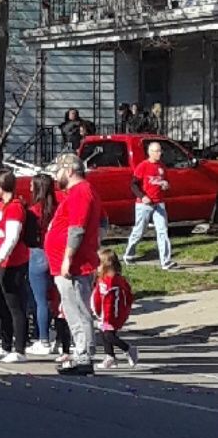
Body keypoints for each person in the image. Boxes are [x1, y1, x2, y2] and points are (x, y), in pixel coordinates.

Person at [46, 153, 103, 376]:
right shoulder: (77, 193)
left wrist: (68, 258)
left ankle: (84, 355)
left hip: (75, 265)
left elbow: (77, 228)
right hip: (69, 262)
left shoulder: (81, 192)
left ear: (69, 171)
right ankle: (82, 352)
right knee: (72, 309)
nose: (56, 176)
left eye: (58, 171)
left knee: (77, 309)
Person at [0, 167, 31, 363]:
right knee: (2, 305)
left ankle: (19, 349)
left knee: (15, 306)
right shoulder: (1, 206)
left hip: (12, 263)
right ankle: (5, 345)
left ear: (3, 185)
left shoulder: (15, 207)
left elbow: (11, 238)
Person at [123, 140, 176, 270]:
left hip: (159, 203)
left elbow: (165, 182)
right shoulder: (143, 166)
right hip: (144, 205)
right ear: (150, 152)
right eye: (156, 151)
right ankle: (128, 254)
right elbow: (133, 184)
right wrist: (143, 196)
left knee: (162, 231)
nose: (159, 153)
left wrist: (165, 185)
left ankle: (165, 261)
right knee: (139, 231)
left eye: (160, 151)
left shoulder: (161, 166)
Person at [26, 174, 57, 355]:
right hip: (54, 253)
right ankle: (55, 335)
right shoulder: (56, 208)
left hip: (37, 253)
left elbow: (30, 236)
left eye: (32, 186)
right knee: (52, 297)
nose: (30, 188)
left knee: (39, 301)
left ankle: (43, 338)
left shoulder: (35, 210)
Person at [93, 249, 139, 369]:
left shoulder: (115, 282)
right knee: (104, 334)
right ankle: (110, 357)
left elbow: (115, 302)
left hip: (113, 314)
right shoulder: (102, 279)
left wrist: (111, 317)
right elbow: (98, 296)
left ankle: (128, 348)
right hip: (104, 313)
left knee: (108, 335)